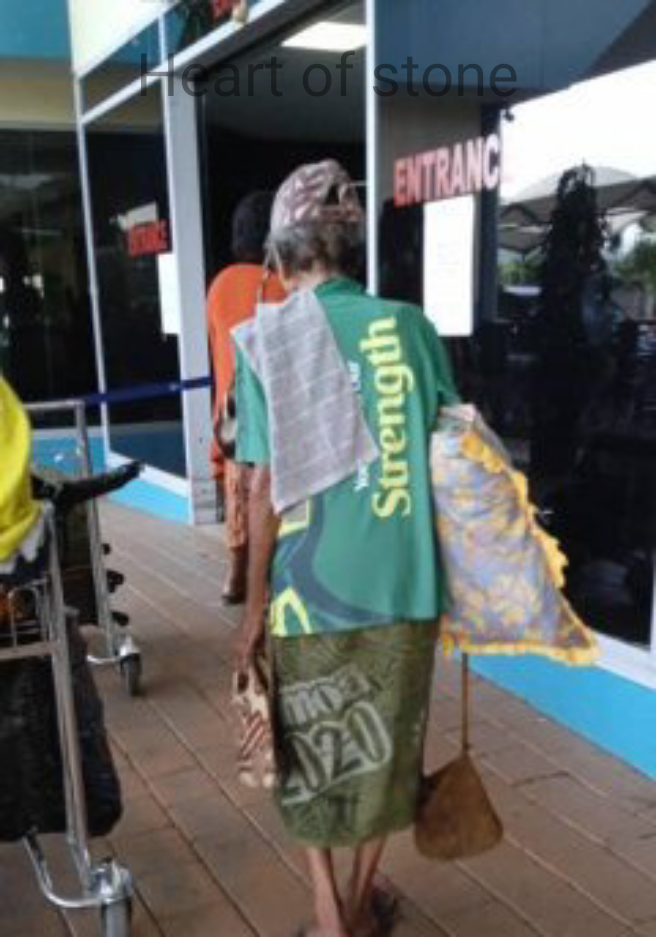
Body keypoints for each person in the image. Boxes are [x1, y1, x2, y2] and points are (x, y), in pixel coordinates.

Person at [234, 161, 458, 937]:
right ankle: (358, 910)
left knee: (306, 755)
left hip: (308, 594)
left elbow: (262, 486)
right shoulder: (410, 327)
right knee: (384, 757)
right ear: (351, 247)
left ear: (281, 254)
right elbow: (452, 453)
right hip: (405, 582)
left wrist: (252, 609)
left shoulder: (267, 340)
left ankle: (329, 915)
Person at [206, 192, 286, 603]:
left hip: (233, 410)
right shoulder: (286, 284)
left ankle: (235, 575)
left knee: (237, 490)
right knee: (273, 492)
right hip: (276, 409)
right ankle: (269, 578)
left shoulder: (220, 285)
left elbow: (217, 347)